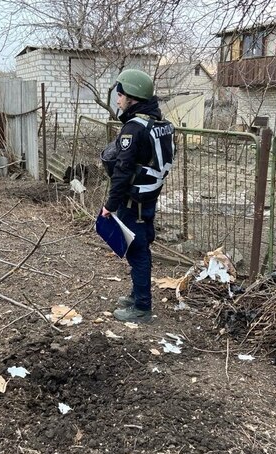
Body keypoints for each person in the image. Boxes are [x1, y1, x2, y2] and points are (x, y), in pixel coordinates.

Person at [100, 69, 175, 323]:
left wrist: (110, 205)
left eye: (120, 95)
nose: (118, 99)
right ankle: (136, 294)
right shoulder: (160, 124)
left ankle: (142, 307)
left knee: (137, 252)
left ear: (132, 97)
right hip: (148, 198)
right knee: (141, 247)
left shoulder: (134, 127)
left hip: (134, 202)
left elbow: (122, 170)